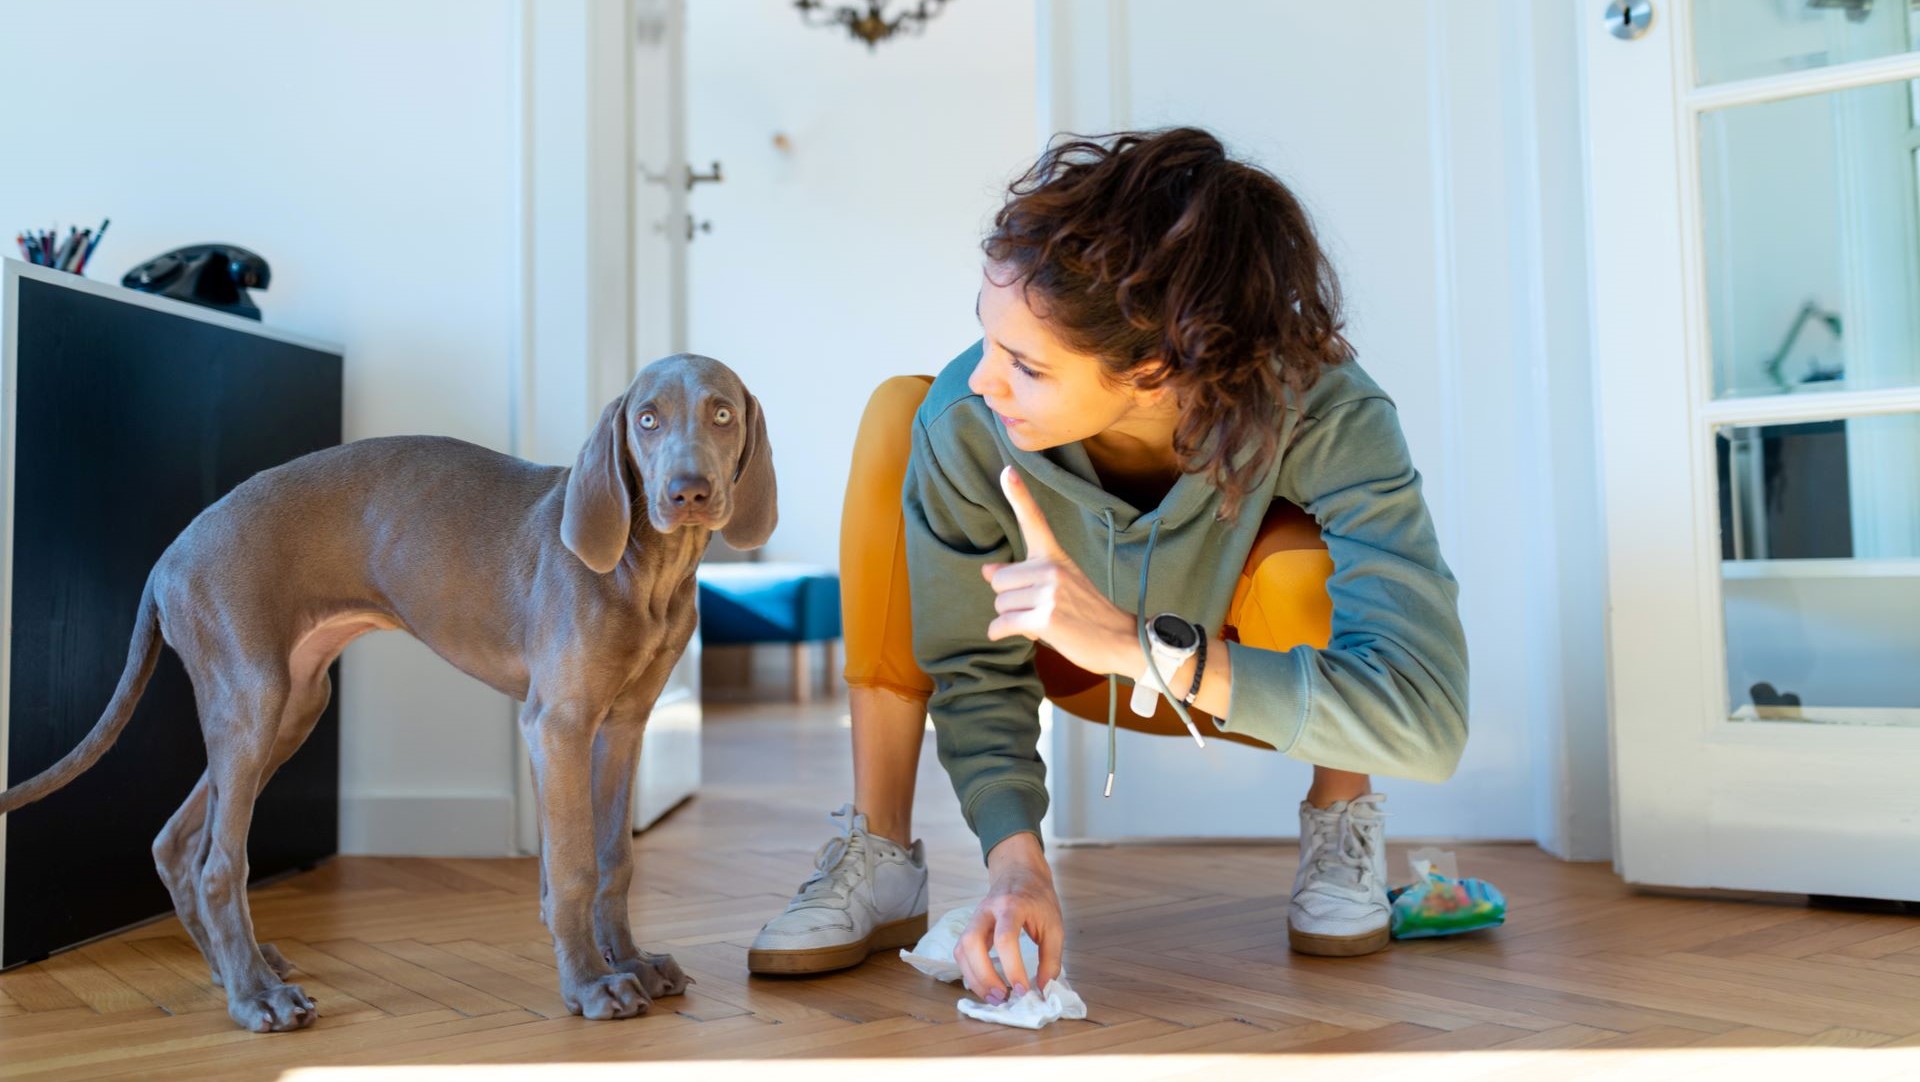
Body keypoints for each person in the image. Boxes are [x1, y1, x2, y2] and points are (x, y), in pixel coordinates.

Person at [746, 127, 1469, 1004]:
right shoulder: (966, 420)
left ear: (1155, 366)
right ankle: (882, 846)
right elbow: (973, 670)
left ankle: (1342, 817)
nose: (984, 381)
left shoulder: (1329, 409)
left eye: (1025, 364)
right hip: (1066, 667)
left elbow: (1429, 725)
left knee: (1298, 556)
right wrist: (1017, 864)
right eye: (988, 338)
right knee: (904, 416)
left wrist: (1142, 646)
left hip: (1248, 680)